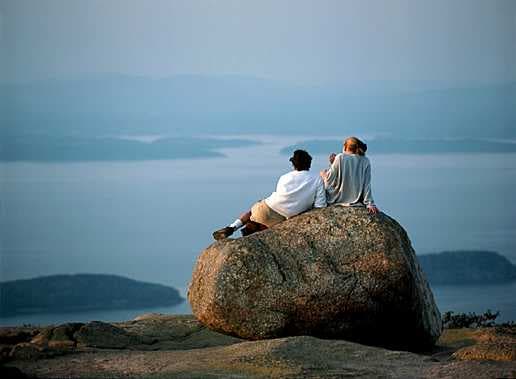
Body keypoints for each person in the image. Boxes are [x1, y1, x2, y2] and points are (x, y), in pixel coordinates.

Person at [212, 149, 327, 240]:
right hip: (282, 218)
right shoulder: (317, 179)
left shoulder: (284, 177)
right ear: (309, 164)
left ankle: (232, 227)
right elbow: (320, 207)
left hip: (267, 208)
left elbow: (281, 196)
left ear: (294, 165)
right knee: (263, 227)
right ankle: (251, 229)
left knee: (254, 210)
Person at [320, 136, 380, 214]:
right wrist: (370, 203)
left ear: (345, 147)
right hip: (357, 198)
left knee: (323, 175)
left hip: (337, 197)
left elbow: (329, 179)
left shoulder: (340, 157)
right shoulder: (365, 160)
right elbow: (366, 184)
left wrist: (323, 174)